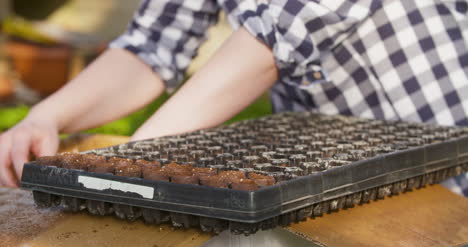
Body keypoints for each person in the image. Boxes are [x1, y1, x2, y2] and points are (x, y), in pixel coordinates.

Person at [0, 0, 466, 196]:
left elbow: (282, 32)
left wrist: (126, 163)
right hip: (342, 169)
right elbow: (153, 44)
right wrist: (45, 116)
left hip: (453, 147)